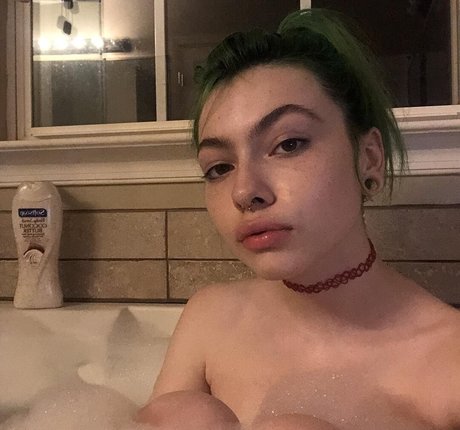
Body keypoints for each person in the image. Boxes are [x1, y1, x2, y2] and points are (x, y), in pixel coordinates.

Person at [139, 8, 460, 430]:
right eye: (219, 167)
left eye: (288, 144)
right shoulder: (209, 320)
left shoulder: (449, 363)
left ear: (369, 158)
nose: (244, 192)